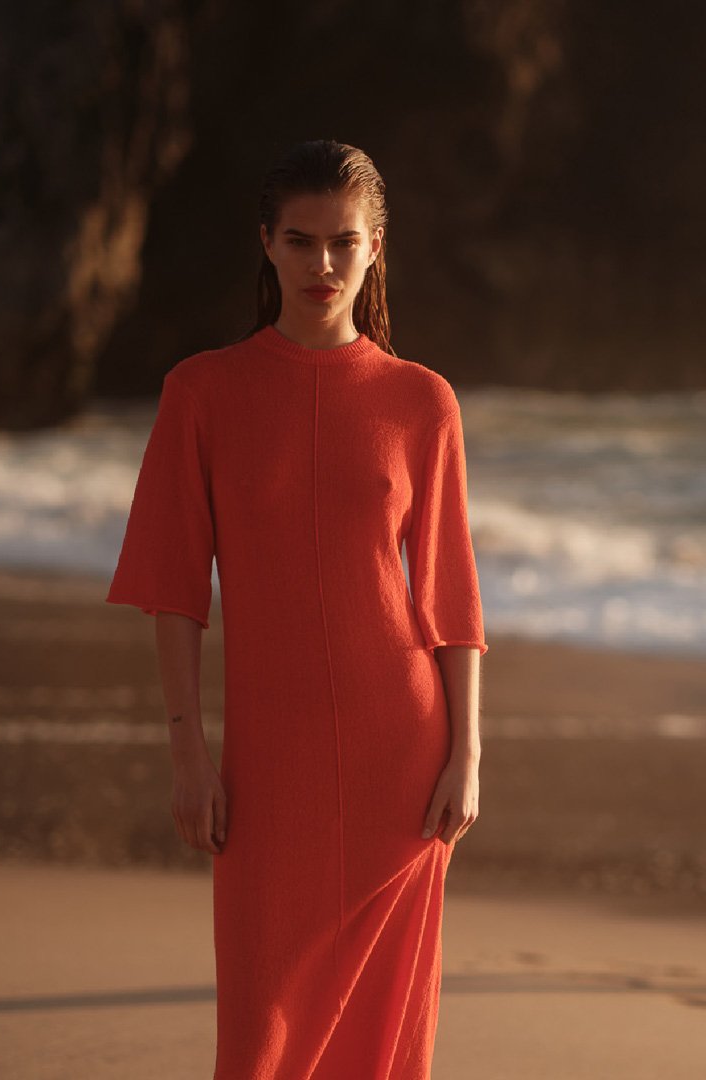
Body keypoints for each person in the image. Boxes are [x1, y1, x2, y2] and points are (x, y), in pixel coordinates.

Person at [106, 140, 486, 1079]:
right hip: (269, 761)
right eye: (301, 241)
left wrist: (468, 753)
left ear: (376, 248)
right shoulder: (202, 392)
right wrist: (188, 752)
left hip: (404, 748)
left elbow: (447, 596)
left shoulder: (422, 401)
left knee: (387, 1025)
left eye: (344, 243)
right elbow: (173, 588)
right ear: (266, 246)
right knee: (262, 1022)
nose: (324, 265)